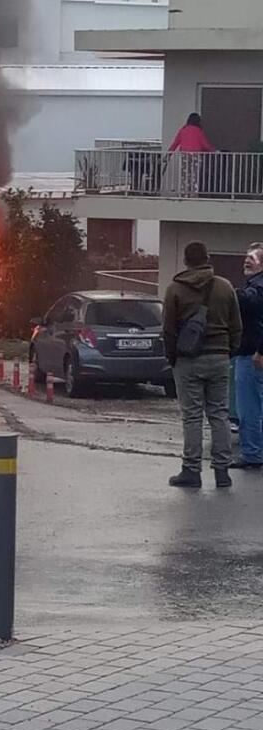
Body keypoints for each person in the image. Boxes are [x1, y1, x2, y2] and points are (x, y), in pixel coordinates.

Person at [163, 241, 242, 488]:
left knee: (192, 416)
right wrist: (228, 351)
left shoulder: (175, 288)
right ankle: (222, 472)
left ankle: (191, 470)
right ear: (207, 258)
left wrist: (172, 358)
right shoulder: (225, 286)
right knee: (219, 414)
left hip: (188, 360)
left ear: (185, 261)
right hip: (219, 357)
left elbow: (168, 329)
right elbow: (236, 325)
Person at [232, 242, 263, 470]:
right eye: (246, 256)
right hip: (254, 353)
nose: (247, 260)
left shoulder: (257, 287)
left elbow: (250, 302)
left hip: (253, 356)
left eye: (252, 257)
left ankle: (252, 454)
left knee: (249, 407)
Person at [167, 113, 216, 196]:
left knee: (184, 176)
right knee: (194, 176)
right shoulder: (199, 131)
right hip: (195, 155)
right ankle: (193, 194)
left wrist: (169, 154)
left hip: (184, 155)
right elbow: (205, 144)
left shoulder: (183, 130)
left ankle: (183, 193)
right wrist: (214, 151)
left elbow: (175, 143)